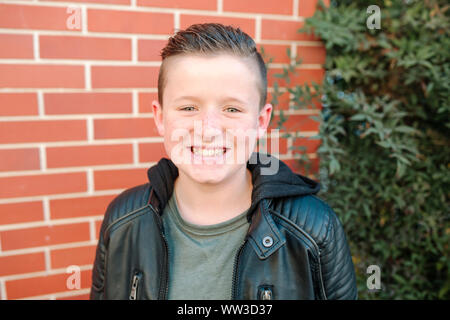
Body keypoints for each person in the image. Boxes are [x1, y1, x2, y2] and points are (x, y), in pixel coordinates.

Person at [90, 23, 357, 300]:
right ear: (160, 117)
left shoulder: (314, 229)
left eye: (232, 109)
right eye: (188, 108)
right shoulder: (121, 221)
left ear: (261, 121)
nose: (208, 130)